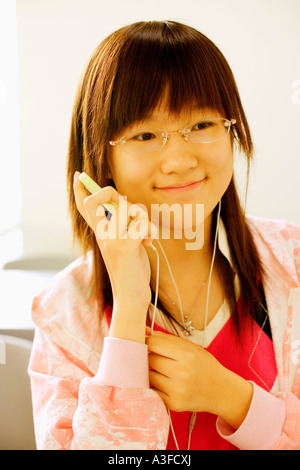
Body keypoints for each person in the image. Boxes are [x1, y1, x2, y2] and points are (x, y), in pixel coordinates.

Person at [28, 20, 300, 450]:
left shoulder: (293, 263)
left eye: (202, 125)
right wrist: (131, 306)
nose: (178, 159)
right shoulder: (65, 310)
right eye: (145, 134)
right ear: (100, 156)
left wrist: (234, 399)